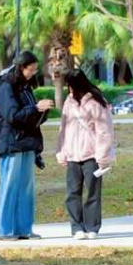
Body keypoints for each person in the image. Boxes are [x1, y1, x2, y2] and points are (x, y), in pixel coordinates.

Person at [0, 51, 54, 241]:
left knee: (26, 187)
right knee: (10, 185)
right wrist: (35, 108)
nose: (33, 73)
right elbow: (12, 116)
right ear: (21, 67)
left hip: (27, 142)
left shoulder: (26, 88)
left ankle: (24, 229)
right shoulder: (6, 87)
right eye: (31, 69)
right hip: (12, 143)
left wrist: (41, 111)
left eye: (35, 69)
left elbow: (27, 116)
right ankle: (5, 230)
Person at [56, 69, 115, 240]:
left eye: (70, 85)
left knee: (92, 192)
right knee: (72, 192)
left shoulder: (96, 102)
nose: (68, 89)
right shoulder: (69, 102)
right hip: (73, 154)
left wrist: (102, 156)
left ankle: (92, 227)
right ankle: (77, 227)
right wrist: (61, 151)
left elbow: (104, 131)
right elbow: (63, 128)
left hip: (92, 155)